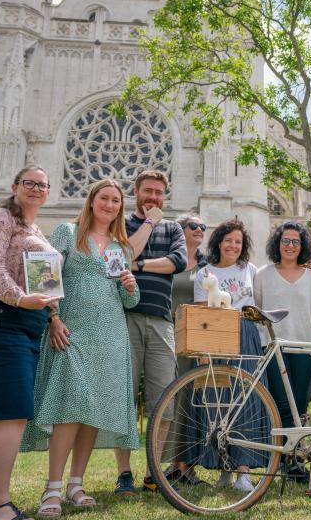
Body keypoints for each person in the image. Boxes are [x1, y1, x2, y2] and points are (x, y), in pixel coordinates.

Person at [21, 179, 140, 517]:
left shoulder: (121, 247)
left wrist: (130, 287)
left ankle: (76, 484)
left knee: (92, 411)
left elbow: (129, 302)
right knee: (70, 406)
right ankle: (52, 488)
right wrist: (53, 317)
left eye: (117, 200)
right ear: (91, 201)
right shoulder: (66, 231)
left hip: (111, 337)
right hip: (72, 332)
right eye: (104, 198)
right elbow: (44, 271)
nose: (110, 205)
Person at [0, 166, 57, 520]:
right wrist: (20, 299)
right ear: (15, 187)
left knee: (0, 417)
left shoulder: (33, 229)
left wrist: (50, 310)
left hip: (25, 321)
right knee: (12, 413)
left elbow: (46, 283)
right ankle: (0, 506)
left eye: (42, 184)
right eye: (29, 183)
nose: (36, 189)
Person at [114, 170, 187, 494]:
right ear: (136, 192)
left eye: (158, 192)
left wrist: (140, 265)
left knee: (164, 401)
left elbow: (178, 261)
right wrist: (146, 226)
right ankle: (124, 473)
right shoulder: (122, 223)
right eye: (148, 191)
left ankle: (154, 471)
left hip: (161, 321)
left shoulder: (173, 228)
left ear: (165, 195)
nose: (153, 197)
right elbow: (123, 255)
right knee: (123, 398)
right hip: (125, 317)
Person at [193, 218, 263, 493]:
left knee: (246, 400)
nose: (233, 245)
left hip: (245, 334)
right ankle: (224, 468)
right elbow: (201, 313)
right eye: (228, 240)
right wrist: (203, 351)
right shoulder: (205, 274)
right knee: (219, 402)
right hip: (215, 336)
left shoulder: (251, 270)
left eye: (238, 241)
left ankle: (244, 471)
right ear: (218, 243)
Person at [254, 221, 311, 431]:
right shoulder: (262, 275)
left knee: (300, 403)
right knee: (283, 404)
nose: (290, 245)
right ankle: (285, 459)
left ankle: (295, 457)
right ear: (277, 244)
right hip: (273, 347)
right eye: (285, 240)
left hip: (304, 346)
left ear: (302, 245)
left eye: (296, 241)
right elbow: (257, 310)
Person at [164, 214, 208, 484]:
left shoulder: (206, 266)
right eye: (193, 226)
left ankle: (186, 466)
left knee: (189, 402)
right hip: (167, 334)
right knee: (170, 400)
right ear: (180, 230)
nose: (199, 230)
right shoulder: (170, 261)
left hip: (194, 341)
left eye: (203, 227)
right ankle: (170, 464)